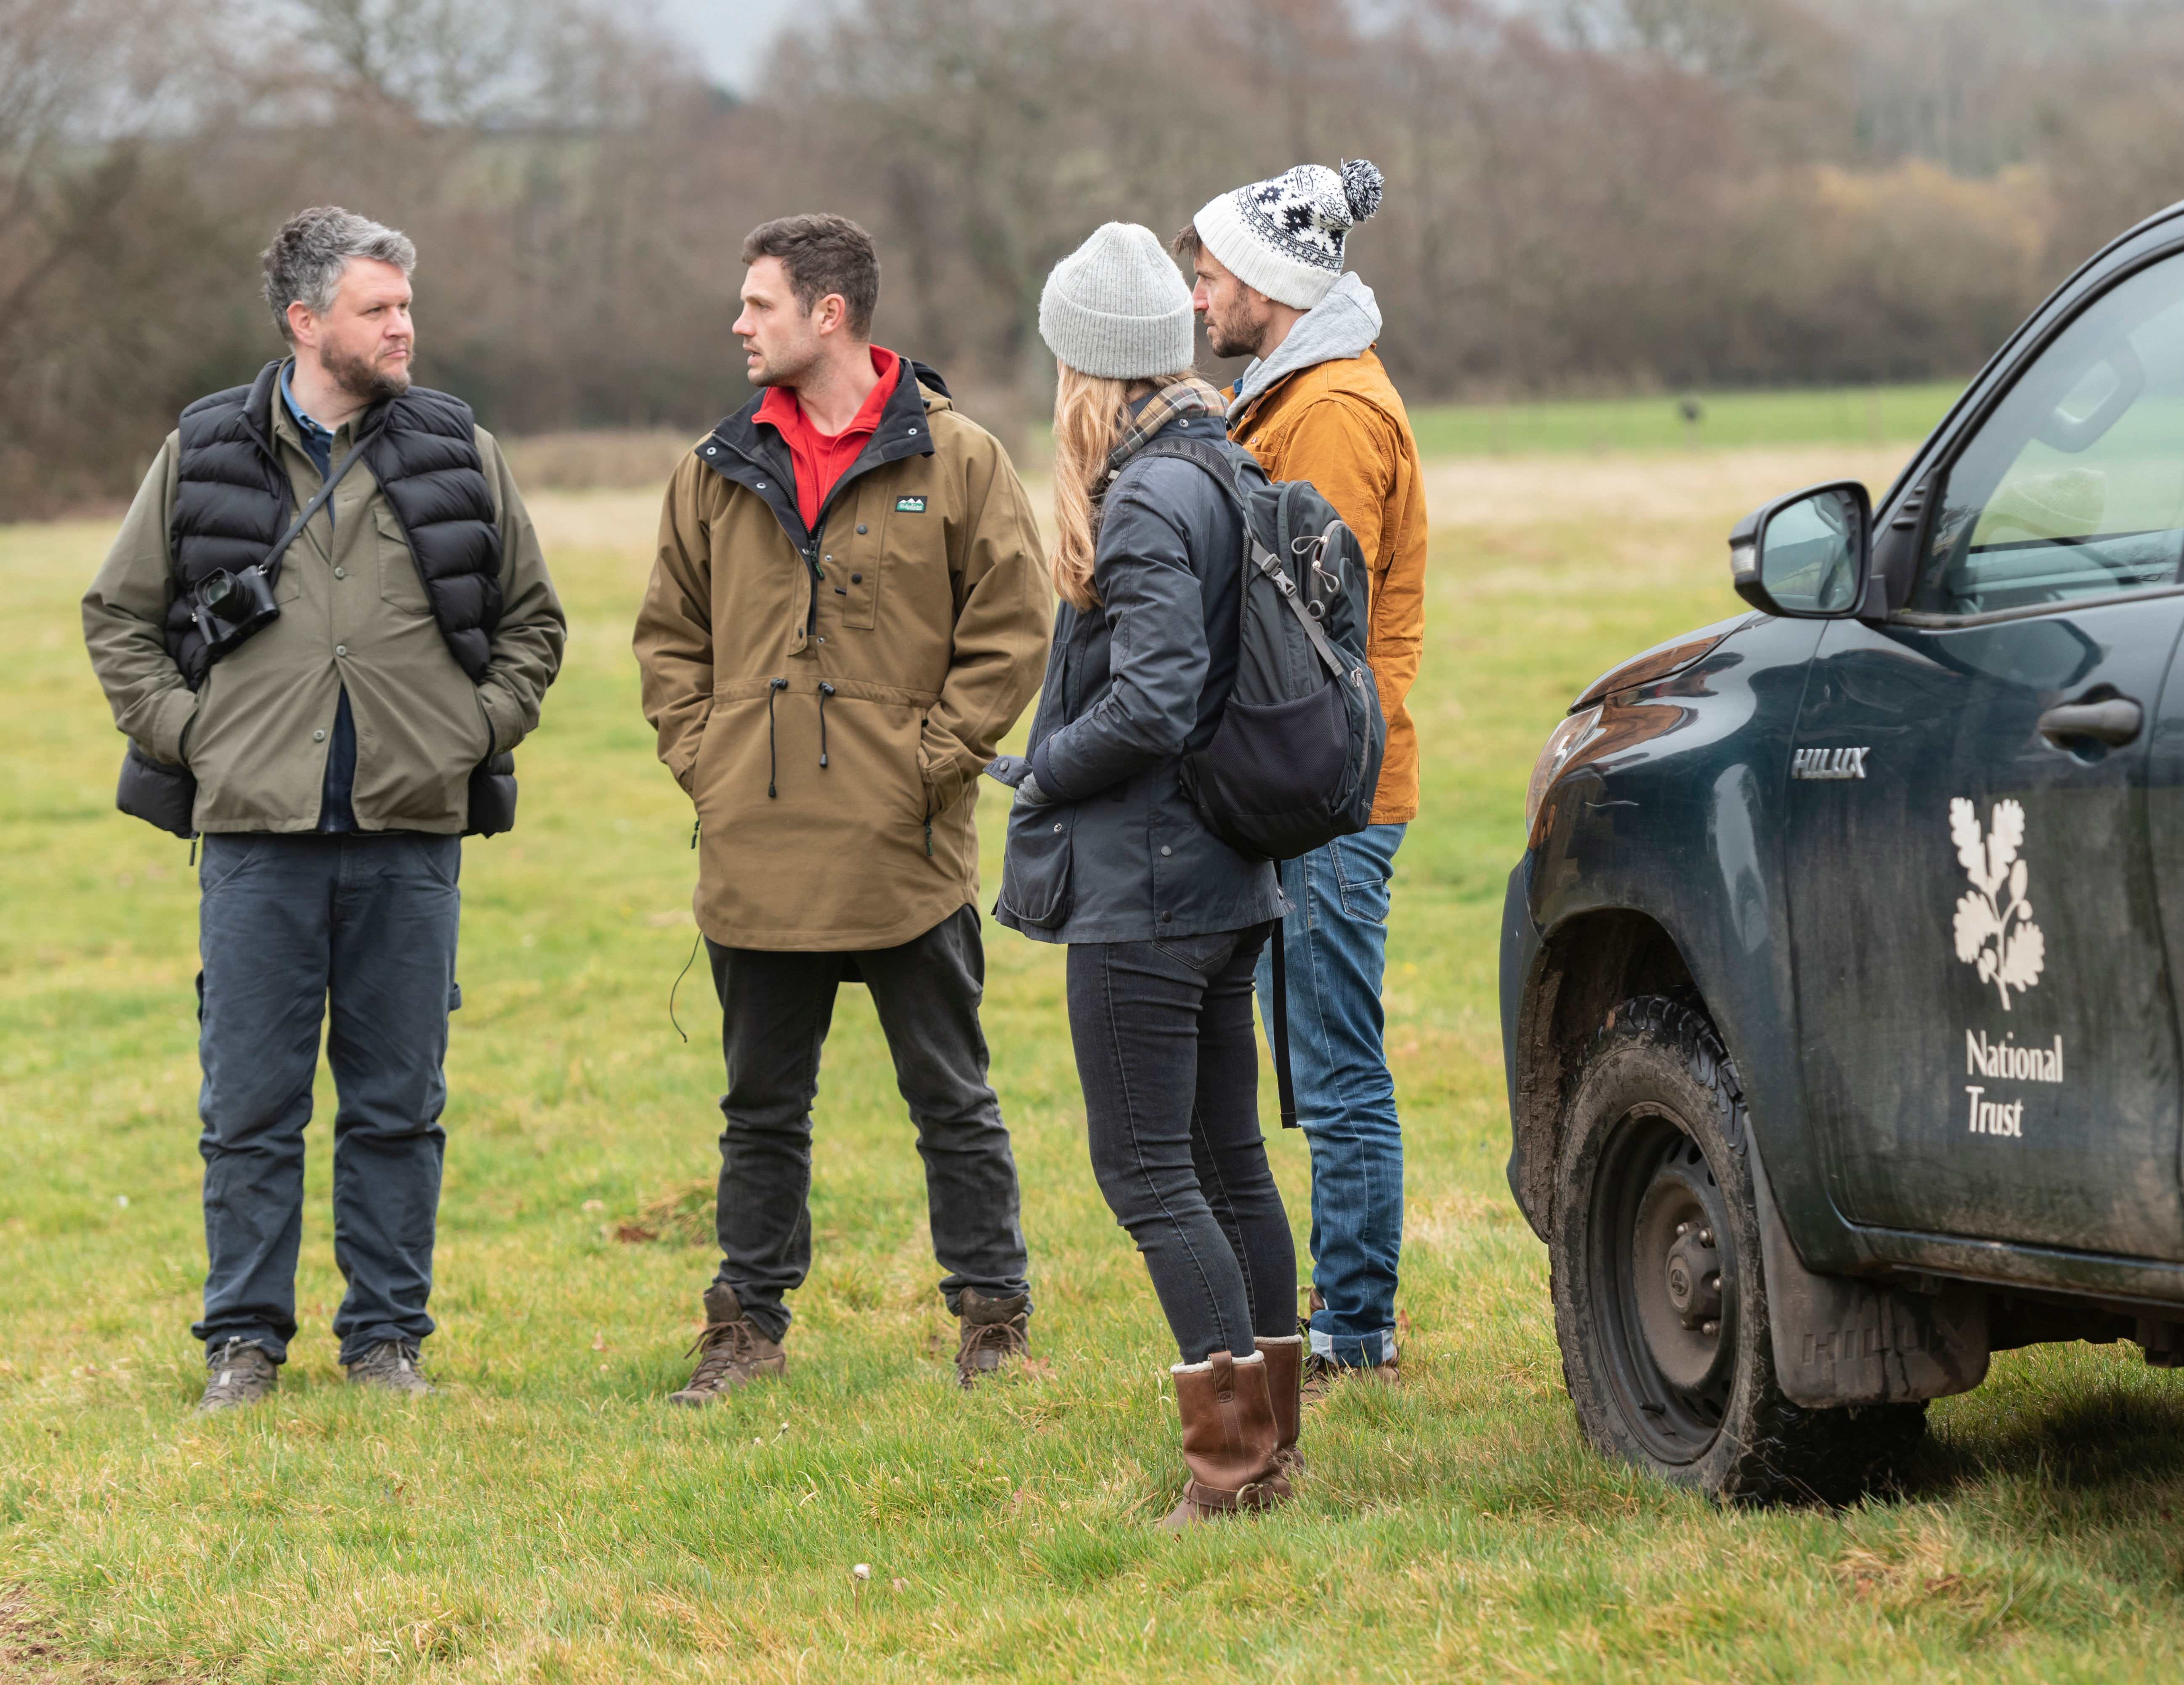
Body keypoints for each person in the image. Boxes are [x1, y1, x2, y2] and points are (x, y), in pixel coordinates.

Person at [81, 206, 569, 1411]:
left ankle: (385, 1342)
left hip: (411, 837)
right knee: (249, 1108)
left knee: (400, 1108)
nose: (405, 327)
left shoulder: (460, 447)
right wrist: (200, 739)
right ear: (307, 323)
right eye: (378, 309)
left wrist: (470, 735)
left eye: (407, 306)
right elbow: (118, 619)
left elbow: (534, 625)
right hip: (254, 844)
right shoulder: (203, 450)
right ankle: (243, 1345)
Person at [633, 215, 1053, 1405]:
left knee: (952, 1096)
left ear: (829, 314)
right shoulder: (713, 470)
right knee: (761, 1107)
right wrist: (708, 759)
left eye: (758, 303)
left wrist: (933, 759)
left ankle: (992, 1316)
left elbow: (1014, 629)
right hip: (756, 854)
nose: (738, 323)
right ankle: (745, 1328)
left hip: (905, 847)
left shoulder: (961, 461)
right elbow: (669, 639)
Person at [996, 222, 1302, 1529]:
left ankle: (1233, 1470)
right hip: (1228, 875)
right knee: (1229, 1157)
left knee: (1149, 1175)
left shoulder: (1142, 499)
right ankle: (1276, 1437)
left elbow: (1159, 696)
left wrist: (1044, 766)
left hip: (1153, 886)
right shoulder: (1218, 462)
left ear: (1088, 368)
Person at [1176, 160, 1427, 1394]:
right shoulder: (1286, 395)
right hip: (1308, 782)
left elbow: (1304, 620)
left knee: (1334, 1067)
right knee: (1321, 1058)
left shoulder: (1326, 412)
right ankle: (1340, 1309)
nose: (1198, 293)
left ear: (1271, 285)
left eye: (1211, 272)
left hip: (1329, 789)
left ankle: (1356, 1325)